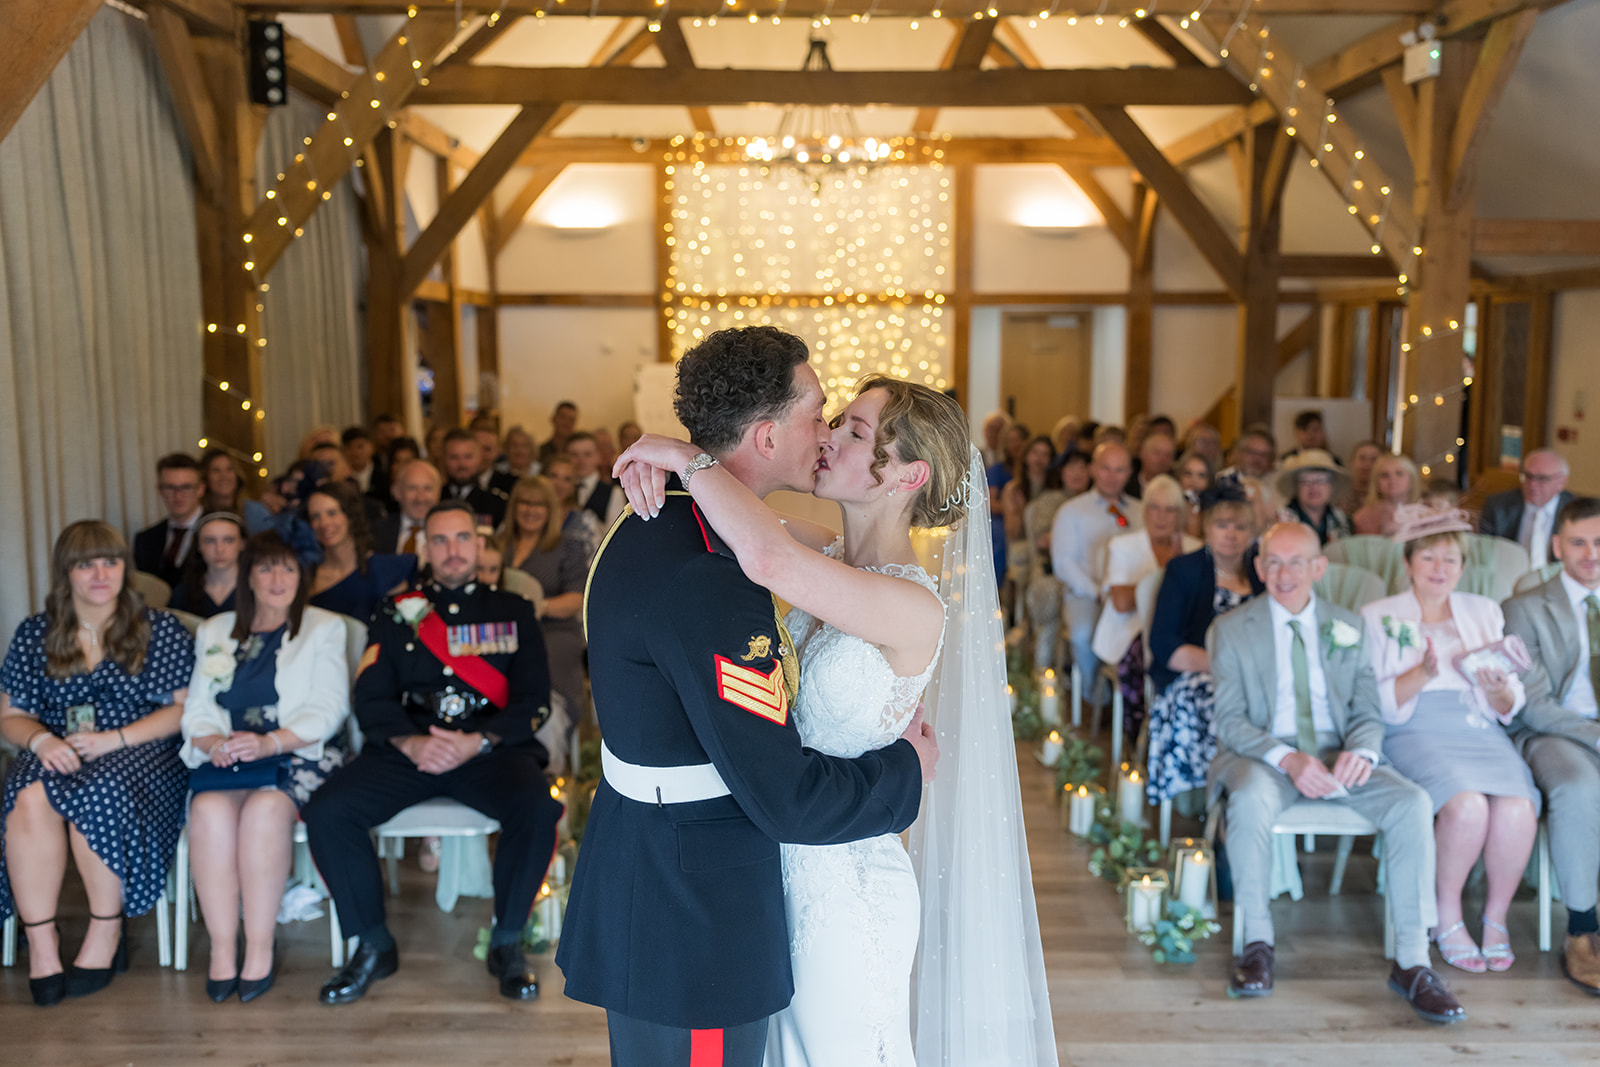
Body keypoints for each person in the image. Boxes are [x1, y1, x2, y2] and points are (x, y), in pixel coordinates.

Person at [559, 328, 953, 1067]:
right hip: (703, 901)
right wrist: (908, 772)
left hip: (787, 881)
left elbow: (765, 547)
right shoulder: (723, 564)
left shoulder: (676, 525)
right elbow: (784, 790)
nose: (829, 434)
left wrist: (679, 456)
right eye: (824, 414)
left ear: (909, 475)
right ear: (769, 434)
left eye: (851, 426)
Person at [305, 500, 561, 1005]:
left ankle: (507, 943)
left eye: (462, 538)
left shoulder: (513, 611)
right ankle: (374, 945)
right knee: (328, 811)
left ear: (480, 544)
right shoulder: (395, 611)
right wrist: (411, 741)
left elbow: (534, 698)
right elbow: (371, 697)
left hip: (488, 748)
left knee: (536, 808)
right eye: (439, 540)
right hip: (410, 747)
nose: (452, 550)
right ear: (423, 547)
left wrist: (478, 741)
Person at [1209, 523, 1461, 1023]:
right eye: (1273, 562)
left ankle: (1413, 961)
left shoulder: (1347, 624)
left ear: (1318, 568)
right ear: (1258, 568)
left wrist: (1362, 753)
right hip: (1266, 757)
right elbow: (1230, 720)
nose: (1284, 573)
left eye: (1296, 561)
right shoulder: (1232, 629)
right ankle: (1256, 943)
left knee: (1412, 803)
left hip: (1339, 753)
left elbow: (1369, 712)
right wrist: (1288, 758)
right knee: (1251, 800)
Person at [0, 521, 193, 1006]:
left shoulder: (159, 627)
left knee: (97, 789)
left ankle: (107, 930)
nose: (100, 573)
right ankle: (43, 943)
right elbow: (11, 715)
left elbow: (181, 710)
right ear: (66, 573)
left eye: (110, 561)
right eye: (86, 564)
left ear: (125, 568)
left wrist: (115, 740)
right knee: (25, 790)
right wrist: (42, 741)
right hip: (59, 747)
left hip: (142, 752)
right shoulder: (36, 633)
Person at [1360, 506, 1538, 973]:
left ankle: (1495, 917)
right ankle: (1446, 915)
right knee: (1467, 805)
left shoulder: (1484, 611)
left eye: (1450, 560)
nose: (1439, 569)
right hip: (1413, 727)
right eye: (1428, 558)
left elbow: (1507, 700)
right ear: (1407, 563)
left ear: (1462, 567)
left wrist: (1500, 691)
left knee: (1518, 806)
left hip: (1476, 728)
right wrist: (1420, 674)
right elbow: (1369, 702)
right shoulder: (1378, 617)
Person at [180, 532, 350, 1003]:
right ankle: (221, 949)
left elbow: (329, 709)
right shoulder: (214, 631)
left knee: (264, 812)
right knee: (209, 811)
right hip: (232, 756)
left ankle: (258, 947)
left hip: (300, 753)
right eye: (266, 568)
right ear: (247, 576)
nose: (278, 579)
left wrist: (270, 742)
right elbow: (197, 708)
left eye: (288, 569)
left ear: (303, 576)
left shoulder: (324, 628)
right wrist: (214, 743)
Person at [1501, 496, 1600, 992]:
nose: (1591, 554)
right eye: (1579, 542)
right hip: (1551, 731)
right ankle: (1583, 928)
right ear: (1557, 545)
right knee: (1579, 786)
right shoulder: (1523, 608)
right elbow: (1533, 703)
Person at [1145, 485, 1262, 804]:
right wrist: (1226, 668)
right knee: (1211, 697)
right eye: (1222, 525)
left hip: (1254, 676)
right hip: (1194, 673)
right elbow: (1164, 644)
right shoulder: (1184, 570)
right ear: (1207, 529)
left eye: (1240, 527)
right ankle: (1209, 797)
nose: (1231, 535)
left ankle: (1252, 792)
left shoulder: (1262, 573)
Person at [1092, 475, 1200, 741]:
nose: (1161, 516)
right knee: (1148, 650)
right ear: (1145, 510)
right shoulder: (1123, 546)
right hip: (1130, 629)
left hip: (1180, 630)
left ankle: (1183, 732)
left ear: (1180, 515)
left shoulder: (1194, 548)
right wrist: (1170, 572)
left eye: (1170, 509)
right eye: (1154, 507)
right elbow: (1121, 603)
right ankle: (1141, 738)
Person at [1050, 442, 1142, 704]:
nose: (1112, 477)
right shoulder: (1072, 511)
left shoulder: (1140, 510)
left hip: (1132, 596)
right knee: (1082, 633)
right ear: (1093, 469)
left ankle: (1131, 700)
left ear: (1129, 472)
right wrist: (1099, 592)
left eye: (1120, 469)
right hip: (1087, 594)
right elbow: (1064, 564)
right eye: (1106, 468)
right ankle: (1095, 697)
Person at [496, 476, 589, 733]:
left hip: (553, 631)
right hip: (502, 632)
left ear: (550, 510)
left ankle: (548, 735)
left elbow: (577, 598)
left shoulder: (567, 545)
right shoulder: (499, 544)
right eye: (524, 503)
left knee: (537, 658)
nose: (530, 510)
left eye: (538, 504)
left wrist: (539, 607)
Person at [305, 483, 417, 622]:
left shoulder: (386, 570)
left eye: (332, 513)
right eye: (315, 517)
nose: (324, 523)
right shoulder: (308, 577)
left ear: (350, 516)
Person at [1480, 449, 1575, 569]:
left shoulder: (1576, 512)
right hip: (1509, 576)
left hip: (1556, 579)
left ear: (1561, 482)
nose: (1532, 485)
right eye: (1528, 476)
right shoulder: (1498, 506)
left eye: (1542, 478)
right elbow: (1483, 552)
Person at [1003, 436, 1059, 625]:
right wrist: (1020, 510)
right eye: (1035, 453)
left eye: (1045, 454)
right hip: (1024, 542)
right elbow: (1012, 533)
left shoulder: (1055, 489)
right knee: (1023, 557)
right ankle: (1021, 621)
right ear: (1026, 456)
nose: (1039, 459)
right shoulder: (1013, 489)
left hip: (1050, 543)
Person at [134, 453, 206, 588]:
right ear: (160, 490)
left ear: (200, 489)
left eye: (186, 487)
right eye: (170, 487)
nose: (178, 495)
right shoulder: (145, 540)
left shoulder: (223, 533)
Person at [170, 512, 246, 618]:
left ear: (242, 544)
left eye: (228, 540)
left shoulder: (258, 590)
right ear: (199, 546)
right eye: (210, 541)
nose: (219, 549)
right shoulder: (182, 594)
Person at [1278, 450, 1353, 545]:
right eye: (1306, 481)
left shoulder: (1339, 517)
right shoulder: (1282, 519)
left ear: (1331, 486)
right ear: (1296, 488)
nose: (1313, 487)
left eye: (1321, 481)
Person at [372, 458, 443, 557]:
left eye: (428, 489)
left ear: (438, 493)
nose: (420, 498)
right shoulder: (375, 533)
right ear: (396, 492)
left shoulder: (451, 532)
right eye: (412, 488)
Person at [441, 429, 508, 529]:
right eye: (454, 457)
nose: (462, 464)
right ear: (444, 459)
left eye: (468, 457)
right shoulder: (434, 499)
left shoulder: (497, 503)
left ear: (479, 458)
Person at [542, 453, 603, 563]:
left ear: (573, 486)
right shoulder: (530, 516)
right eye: (553, 476)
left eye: (567, 479)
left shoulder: (586, 521)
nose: (558, 484)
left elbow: (596, 560)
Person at [566, 431, 626, 529]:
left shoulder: (614, 493)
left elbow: (615, 534)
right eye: (574, 455)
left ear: (598, 457)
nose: (581, 461)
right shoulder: (558, 489)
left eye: (587, 454)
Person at [1352, 453, 1422, 537]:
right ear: (1376, 482)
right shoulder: (1363, 517)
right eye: (1385, 475)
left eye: (1399, 473)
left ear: (1412, 479)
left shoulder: (1425, 513)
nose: (1392, 479)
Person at [343, 427, 390, 511]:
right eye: (349, 447)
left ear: (371, 448)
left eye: (360, 446)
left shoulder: (385, 478)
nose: (355, 452)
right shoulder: (341, 480)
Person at [1176, 448, 1215, 538]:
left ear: (1209, 481)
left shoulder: (1216, 513)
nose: (1194, 481)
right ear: (1179, 477)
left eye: (1201, 475)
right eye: (1188, 473)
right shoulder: (1168, 508)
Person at [1341, 440, 1384, 517]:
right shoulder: (1339, 496)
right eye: (1362, 458)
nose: (1367, 464)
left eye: (1374, 459)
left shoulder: (1386, 497)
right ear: (1352, 462)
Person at [1130, 430, 1177, 499]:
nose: (1162, 460)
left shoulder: (1177, 490)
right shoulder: (1125, 486)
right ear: (1142, 453)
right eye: (1157, 453)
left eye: (1168, 455)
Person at [538, 400, 579, 467]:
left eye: (571, 420)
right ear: (553, 419)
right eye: (563, 417)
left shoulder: (578, 454)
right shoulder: (540, 452)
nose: (566, 423)